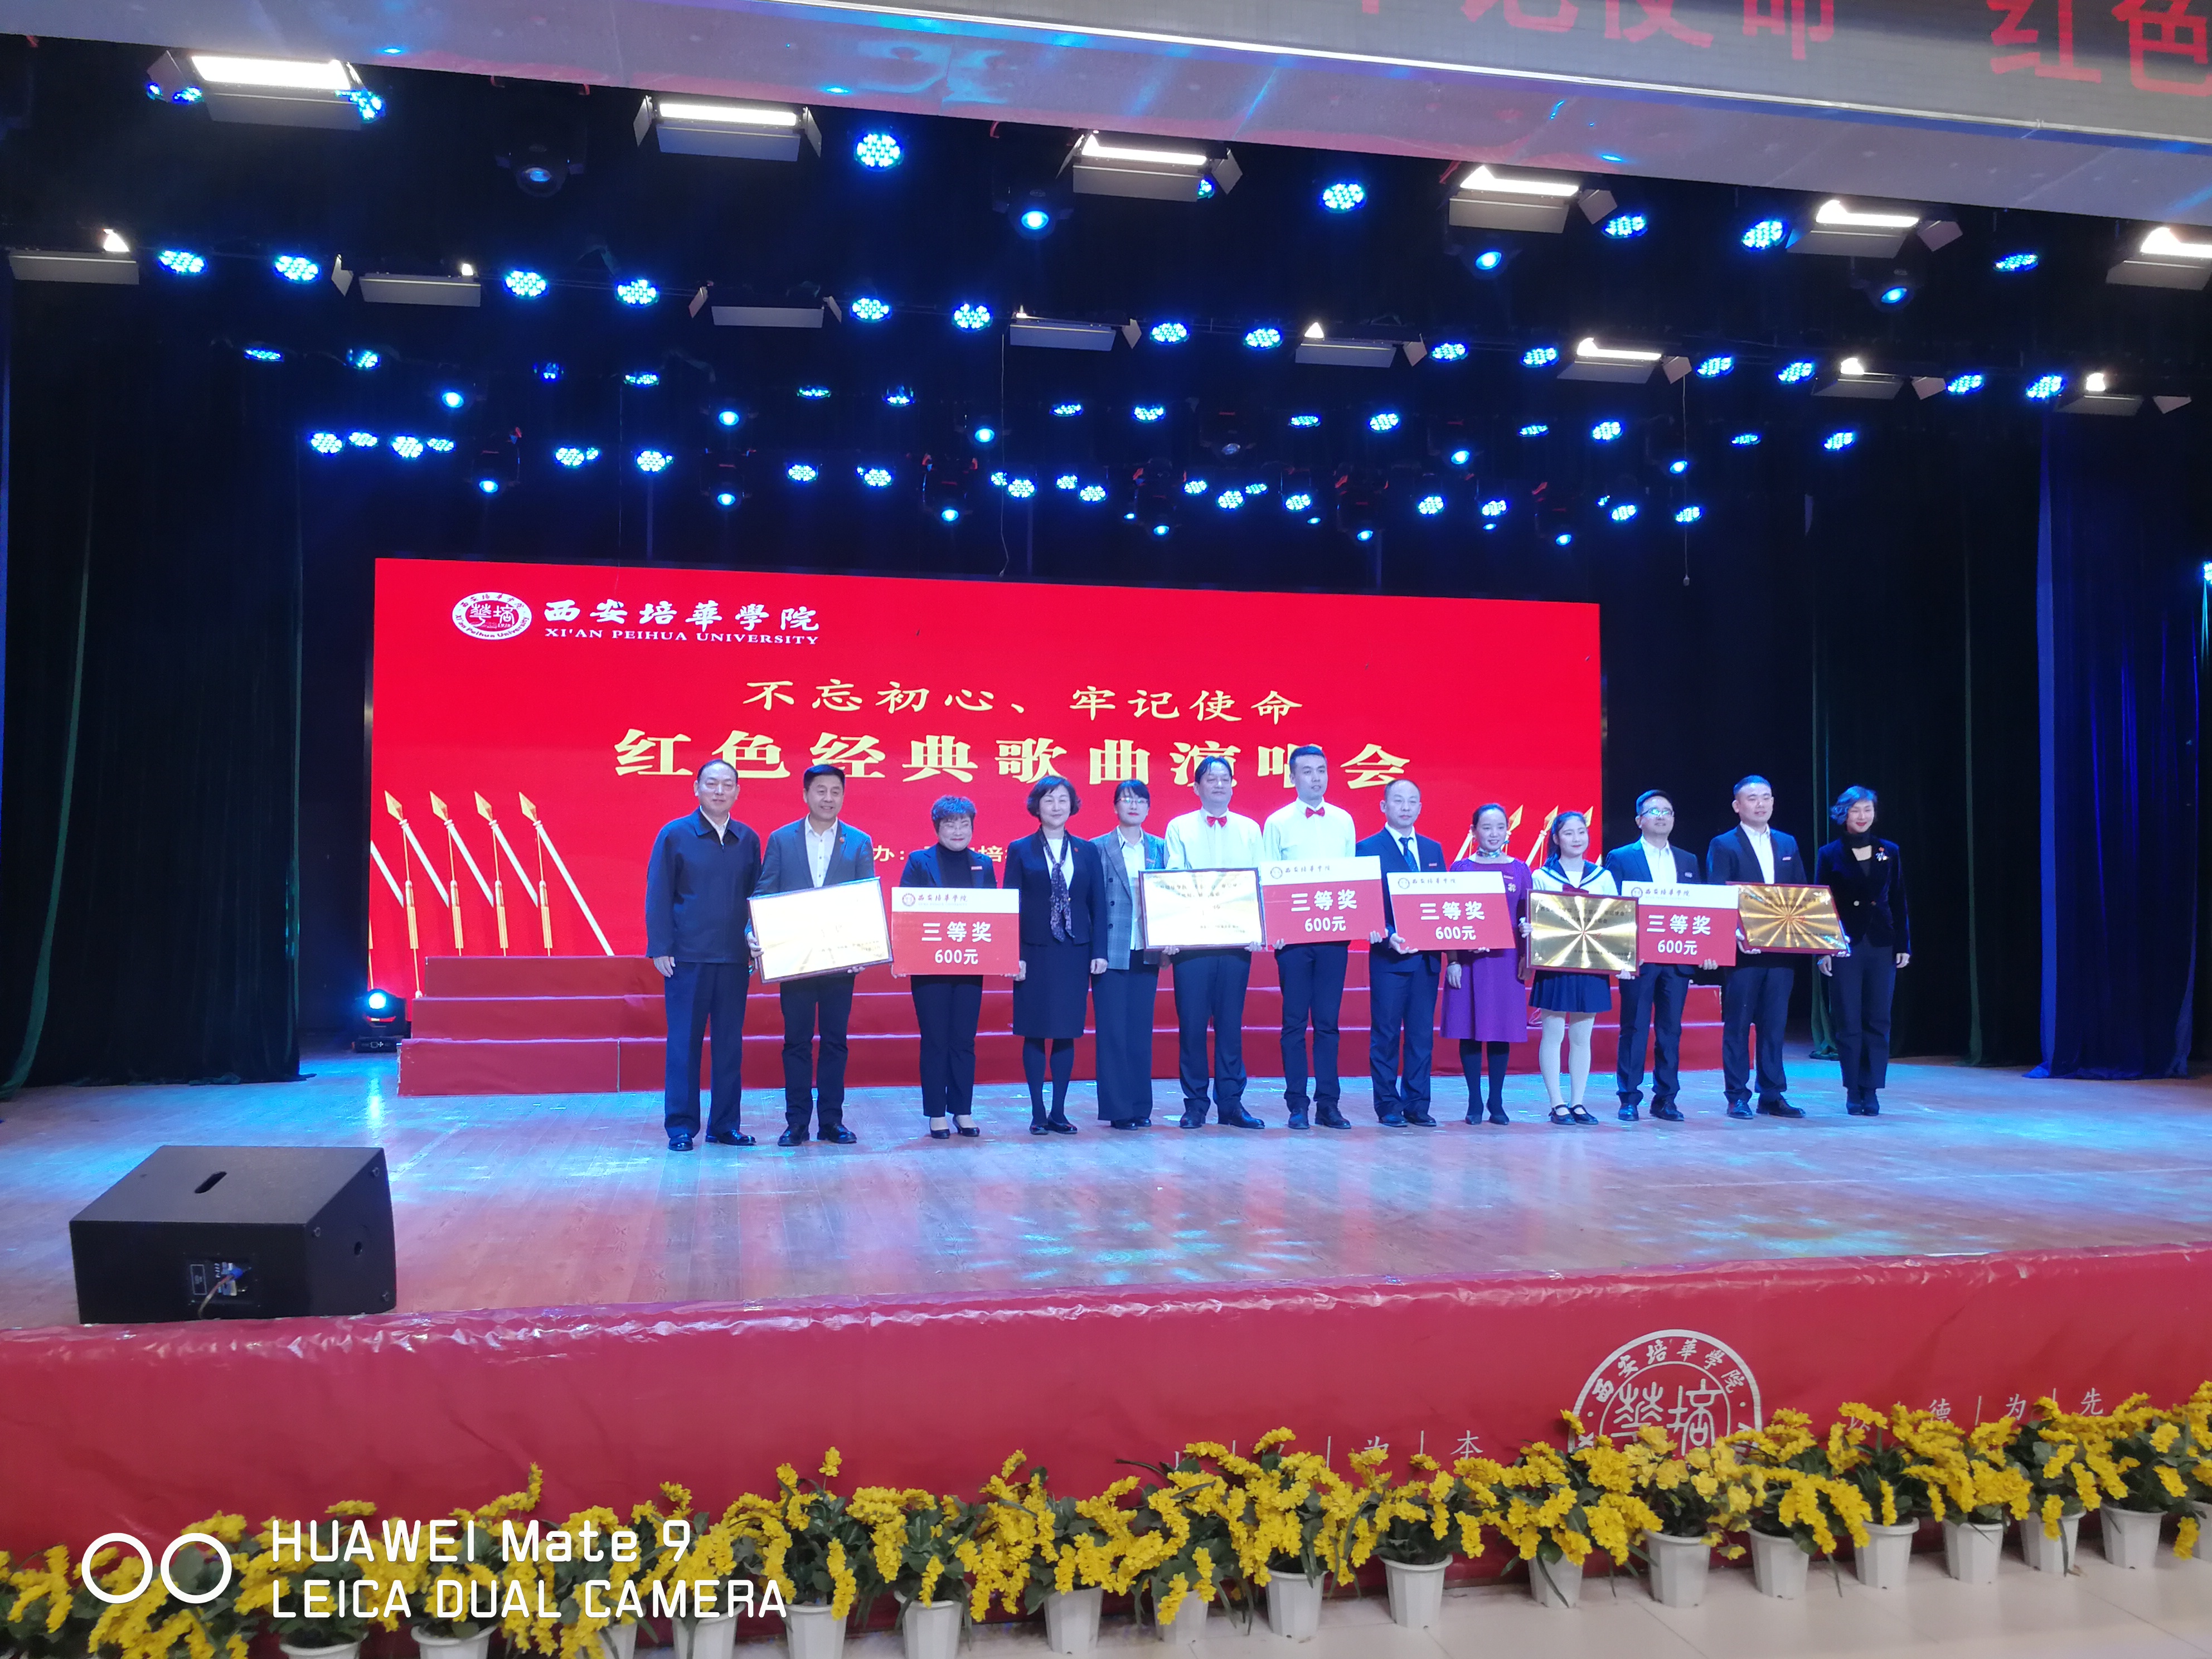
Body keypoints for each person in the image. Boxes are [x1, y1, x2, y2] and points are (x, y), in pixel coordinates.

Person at [753, 763, 877, 1146]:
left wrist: (866, 945)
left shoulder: (859, 841)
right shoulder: (782, 839)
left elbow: (865, 900)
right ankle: (796, 1123)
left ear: (843, 796)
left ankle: (832, 1122)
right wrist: (753, 933)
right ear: (806, 794)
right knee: (797, 1042)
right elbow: (765, 892)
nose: (828, 798)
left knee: (836, 1042)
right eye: (821, 791)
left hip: (841, 961)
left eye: (836, 791)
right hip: (796, 960)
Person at [644, 759, 764, 1152]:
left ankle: (725, 1125)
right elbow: (659, 892)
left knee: (729, 1046)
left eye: (727, 784)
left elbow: (757, 898)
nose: (719, 791)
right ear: (696, 788)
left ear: (738, 792)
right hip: (687, 958)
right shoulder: (675, 835)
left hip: (733, 959)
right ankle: (681, 1127)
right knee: (684, 1044)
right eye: (711, 783)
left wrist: (756, 939)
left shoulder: (748, 839)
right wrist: (660, 947)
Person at [1162, 755, 1268, 1129]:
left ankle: (1231, 1104)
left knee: (1230, 1025)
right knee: (1192, 1025)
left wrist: (1259, 930)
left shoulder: (1249, 829)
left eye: (1225, 778)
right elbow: (1173, 880)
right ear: (1197, 787)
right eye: (1211, 779)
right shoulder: (1180, 827)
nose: (1219, 784)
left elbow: (1261, 881)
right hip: (1193, 944)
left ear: (1233, 785)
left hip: (1236, 942)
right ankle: (1195, 1104)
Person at [1261, 744, 1359, 1130]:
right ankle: (1297, 1105)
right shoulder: (1277, 823)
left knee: (1329, 1023)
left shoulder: (1344, 821)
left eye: (1321, 770)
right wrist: (1274, 930)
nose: (1316, 778)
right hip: (1293, 941)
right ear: (1292, 777)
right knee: (1294, 1023)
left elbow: (1352, 878)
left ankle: (1328, 1105)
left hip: (1334, 937)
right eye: (1307, 771)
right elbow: (1269, 878)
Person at [1005, 774, 1109, 1135]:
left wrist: (1099, 951)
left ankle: (1059, 1112)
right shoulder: (1020, 849)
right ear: (1037, 806)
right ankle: (1037, 1112)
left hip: (1073, 952)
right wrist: (1013, 954)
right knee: (1034, 1032)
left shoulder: (1087, 850)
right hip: (1033, 953)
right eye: (1049, 800)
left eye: (1063, 799)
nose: (1056, 806)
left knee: (1066, 1032)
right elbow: (1011, 906)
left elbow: (1098, 904)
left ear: (1072, 806)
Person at [1705, 774, 1809, 1120]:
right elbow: (1717, 895)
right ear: (1738, 806)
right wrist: (1733, 934)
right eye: (1752, 798)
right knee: (1738, 1024)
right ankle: (1737, 1095)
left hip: (1781, 950)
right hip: (1742, 952)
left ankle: (1772, 1094)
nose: (1761, 804)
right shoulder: (1723, 844)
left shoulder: (1788, 843)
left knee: (1774, 1025)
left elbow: (1801, 894)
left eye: (1766, 797)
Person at [1603, 791, 1707, 1124]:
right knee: (1634, 1028)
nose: (1662, 817)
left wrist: (1706, 950)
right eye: (1654, 812)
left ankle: (1666, 1098)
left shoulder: (1688, 860)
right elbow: (1612, 909)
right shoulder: (1621, 858)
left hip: (1678, 961)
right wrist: (1620, 956)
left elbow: (1700, 910)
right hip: (1638, 959)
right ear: (1639, 820)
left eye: (1668, 811)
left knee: (1670, 1031)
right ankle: (1629, 1097)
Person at [897, 795, 997, 1139]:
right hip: (930, 969)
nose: (958, 831)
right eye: (950, 824)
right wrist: (904, 955)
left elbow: (993, 915)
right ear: (937, 828)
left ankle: (963, 1111)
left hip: (970, 965)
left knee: (964, 1040)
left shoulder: (984, 864)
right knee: (935, 1040)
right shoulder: (920, 862)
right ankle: (937, 1114)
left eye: (964, 824)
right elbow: (907, 914)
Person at [1356, 778, 1447, 1127]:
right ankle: (1387, 1105)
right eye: (1398, 800)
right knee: (1386, 1035)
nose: (1405, 807)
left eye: (1412, 801)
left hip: (1427, 960)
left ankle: (1418, 1104)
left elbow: (1442, 903)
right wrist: (1388, 934)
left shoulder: (1433, 850)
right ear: (1384, 806)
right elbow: (1364, 903)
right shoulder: (1367, 849)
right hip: (1389, 958)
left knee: (1421, 1036)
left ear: (1420, 808)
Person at [1816, 785, 1912, 1116]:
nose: (1862, 816)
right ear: (1843, 814)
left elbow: (1898, 898)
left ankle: (1872, 1090)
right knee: (1848, 1020)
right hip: (1845, 945)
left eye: (1868, 810)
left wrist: (1903, 944)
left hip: (1882, 943)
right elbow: (1821, 905)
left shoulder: (1889, 850)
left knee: (1878, 1018)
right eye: (1855, 810)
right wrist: (1823, 949)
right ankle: (1853, 1089)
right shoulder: (1829, 853)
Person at [1439, 803, 1532, 1125]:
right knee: (1470, 1030)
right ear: (1474, 831)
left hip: (1506, 961)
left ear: (1508, 831)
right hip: (1469, 962)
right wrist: (1453, 960)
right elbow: (1449, 917)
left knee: (1500, 1030)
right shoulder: (1461, 869)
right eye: (1487, 827)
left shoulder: (1520, 870)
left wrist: (1527, 956)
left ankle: (1497, 1101)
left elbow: (1527, 915)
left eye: (1500, 827)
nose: (1494, 834)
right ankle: (1475, 1101)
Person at [1530, 811, 1617, 1126]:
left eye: (1582, 832)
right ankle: (1557, 1103)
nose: (1577, 838)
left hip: (1591, 964)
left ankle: (1578, 1102)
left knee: (1583, 1036)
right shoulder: (1542, 877)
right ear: (1556, 838)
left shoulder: (1603, 877)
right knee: (1553, 1033)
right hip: (1555, 964)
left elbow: (1616, 921)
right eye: (1569, 833)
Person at [1090, 779, 1169, 1129]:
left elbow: (1173, 898)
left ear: (1149, 808)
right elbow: (1092, 904)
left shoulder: (1161, 848)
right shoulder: (1097, 848)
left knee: (1140, 1032)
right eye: (1126, 799)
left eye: (1140, 800)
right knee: (1112, 1033)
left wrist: (1168, 942)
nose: (1133, 805)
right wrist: (1095, 950)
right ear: (1115, 807)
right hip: (1111, 951)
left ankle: (1140, 1106)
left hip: (1147, 949)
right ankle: (1118, 1109)